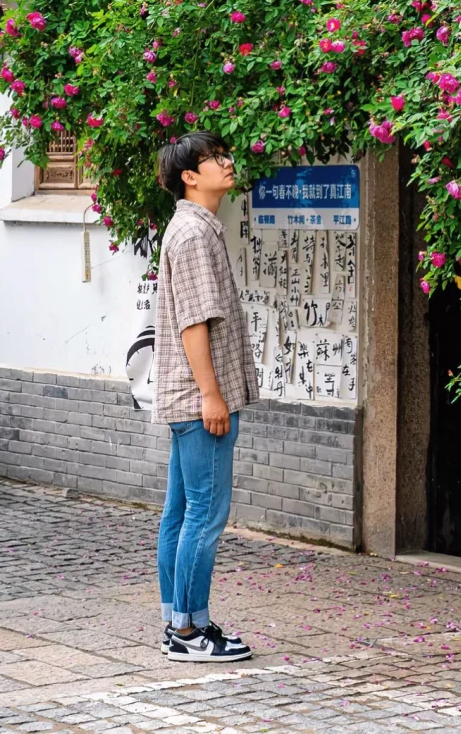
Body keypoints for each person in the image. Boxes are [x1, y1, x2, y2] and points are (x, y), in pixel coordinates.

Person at [153, 132, 259, 662]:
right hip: (200, 403)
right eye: (215, 159)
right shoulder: (194, 235)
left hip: (186, 400)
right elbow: (196, 324)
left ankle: (178, 621)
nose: (227, 162)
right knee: (204, 515)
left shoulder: (191, 228)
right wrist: (212, 395)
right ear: (190, 177)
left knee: (180, 512)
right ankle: (191, 633)